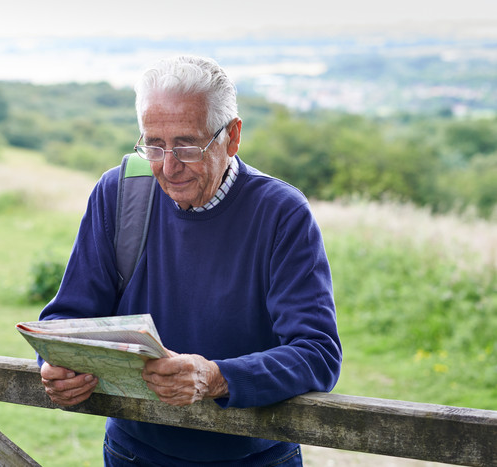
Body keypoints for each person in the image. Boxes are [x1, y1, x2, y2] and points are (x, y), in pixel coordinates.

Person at [39, 55, 342, 466]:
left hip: (253, 459)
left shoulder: (280, 212)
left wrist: (217, 378)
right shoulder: (120, 192)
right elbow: (66, 319)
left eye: (186, 144)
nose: (168, 166)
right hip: (134, 452)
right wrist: (55, 364)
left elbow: (318, 353)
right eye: (154, 144)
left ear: (232, 137)